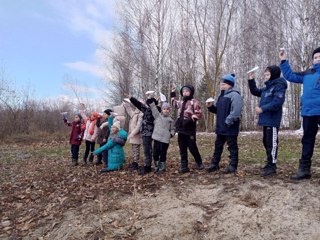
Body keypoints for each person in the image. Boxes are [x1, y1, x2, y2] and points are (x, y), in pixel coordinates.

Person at [279, 47, 320, 180]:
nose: (317, 59)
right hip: (308, 112)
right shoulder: (308, 73)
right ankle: (304, 170)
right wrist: (284, 61)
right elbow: (290, 76)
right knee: (307, 140)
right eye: (315, 58)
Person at [248, 66, 287, 176]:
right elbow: (255, 91)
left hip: (272, 120)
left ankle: (272, 165)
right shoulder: (267, 88)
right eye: (265, 75)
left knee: (272, 143)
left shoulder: (279, 87)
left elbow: (277, 103)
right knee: (266, 142)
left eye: (268, 75)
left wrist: (262, 108)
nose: (265, 77)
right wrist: (251, 80)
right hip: (265, 120)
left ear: (274, 75)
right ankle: (269, 162)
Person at [207, 74, 243, 174]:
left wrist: (228, 121)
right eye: (221, 84)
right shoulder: (221, 96)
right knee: (218, 146)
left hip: (230, 127)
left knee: (232, 147)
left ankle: (233, 166)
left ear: (230, 85)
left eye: (224, 84)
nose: (221, 86)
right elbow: (219, 111)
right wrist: (211, 107)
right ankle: (215, 164)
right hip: (221, 128)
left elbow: (236, 111)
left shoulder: (235, 95)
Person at [171, 84, 203, 173]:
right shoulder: (181, 102)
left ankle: (199, 162)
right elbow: (174, 103)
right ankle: (184, 166)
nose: (185, 93)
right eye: (183, 91)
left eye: (187, 91)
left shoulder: (194, 102)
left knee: (192, 147)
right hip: (181, 128)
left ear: (191, 92)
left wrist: (190, 119)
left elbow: (198, 114)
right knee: (182, 147)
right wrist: (173, 93)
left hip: (189, 128)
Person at [125, 93, 160, 175]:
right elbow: (138, 104)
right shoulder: (145, 109)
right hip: (144, 133)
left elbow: (157, 113)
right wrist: (131, 97)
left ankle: (148, 166)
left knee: (148, 150)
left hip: (150, 133)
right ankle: (147, 165)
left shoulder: (156, 110)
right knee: (146, 150)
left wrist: (155, 101)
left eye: (149, 103)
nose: (147, 104)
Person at [150, 102, 175, 173]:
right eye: (164, 109)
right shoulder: (158, 116)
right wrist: (151, 101)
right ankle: (156, 166)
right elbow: (154, 109)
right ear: (162, 110)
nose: (166, 110)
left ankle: (162, 167)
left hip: (165, 140)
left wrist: (171, 134)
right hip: (157, 138)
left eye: (167, 109)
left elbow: (173, 129)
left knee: (163, 154)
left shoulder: (171, 120)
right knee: (155, 153)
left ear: (169, 110)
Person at [122, 101, 143, 170]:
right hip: (133, 135)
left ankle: (136, 163)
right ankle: (135, 162)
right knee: (134, 149)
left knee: (136, 150)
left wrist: (132, 134)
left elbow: (138, 126)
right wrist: (126, 104)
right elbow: (129, 110)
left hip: (136, 135)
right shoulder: (135, 113)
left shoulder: (141, 114)